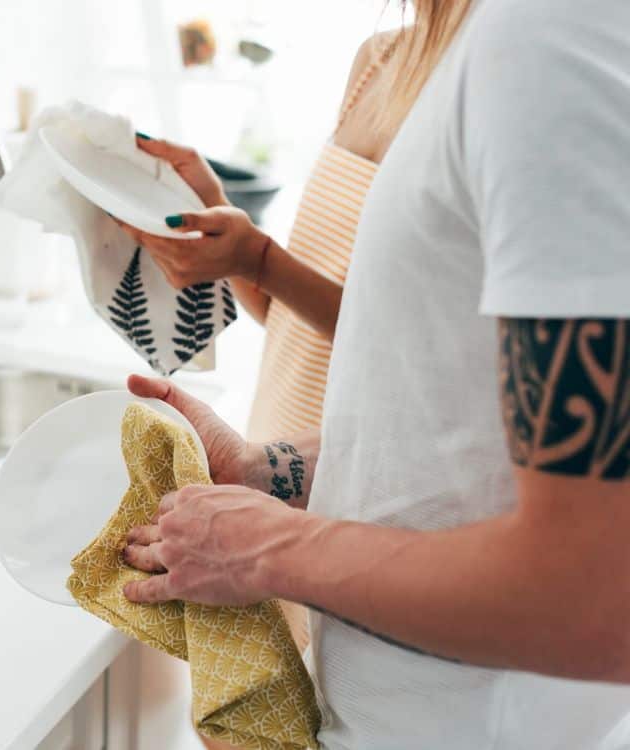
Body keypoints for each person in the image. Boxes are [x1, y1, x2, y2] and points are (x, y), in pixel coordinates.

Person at [115, 0, 630, 746]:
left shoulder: (552, 35)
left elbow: (593, 593)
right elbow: (467, 410)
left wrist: (266, 549)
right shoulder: (489, 45)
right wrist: (278, 472)